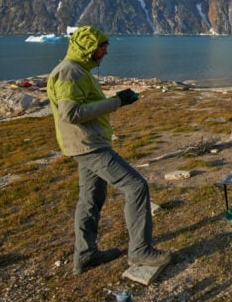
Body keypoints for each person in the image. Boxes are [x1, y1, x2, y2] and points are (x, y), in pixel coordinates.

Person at [47, 26, 171, 274]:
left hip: (87, 143)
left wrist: (118, 99)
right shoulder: (70, 72)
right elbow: (70, 113)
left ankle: (85, 254)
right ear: (87, 47)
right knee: (136, 186)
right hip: (89, 146)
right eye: (101, 46)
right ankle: (140, 251)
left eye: (105, 46)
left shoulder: (79, 70)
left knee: (91, 198)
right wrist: (116, 102)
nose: (105, 51)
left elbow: (84, 105)